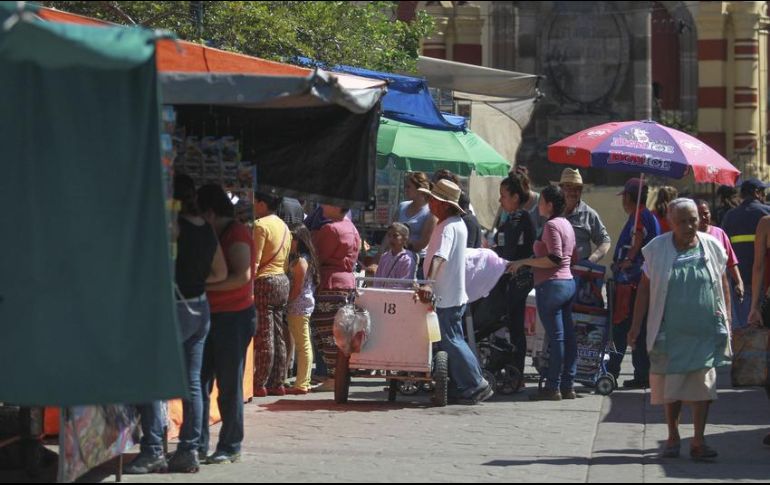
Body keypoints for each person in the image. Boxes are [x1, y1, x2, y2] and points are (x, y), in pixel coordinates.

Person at [127, 174, 227, 475]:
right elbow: (220, 272)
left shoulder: (173, 228)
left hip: (173, 309)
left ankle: (153, 450)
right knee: (193, 383)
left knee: (151, 378)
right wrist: (194, 282)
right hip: (200, 309)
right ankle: (188, 451)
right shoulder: (206, 230)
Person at [629, 198, 731, 461]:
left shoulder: (713, 246)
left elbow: (722, 283)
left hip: (703, 331)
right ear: (670, 222)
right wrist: (636, 325)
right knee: (669, 387)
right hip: (669, 332)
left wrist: (728, 320)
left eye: (693, 219)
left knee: (704, 386)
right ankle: (673, 436)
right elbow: (644, 289)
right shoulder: (656, 249)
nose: (689, 225)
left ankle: (698, 440)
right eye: (682, 221)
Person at [415, 179, 493, 405]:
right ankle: (467, 384)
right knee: (454, 339)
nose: (429, 203)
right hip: (452, 293)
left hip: (447, 295)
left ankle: (476, 383)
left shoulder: (448, 227)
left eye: (433, 199)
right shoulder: (455, 223)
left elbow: (441, 256)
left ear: (443, 204)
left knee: (451, 341)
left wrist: (428, 282)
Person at [196, 184, 257, 465]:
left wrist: (201, 284)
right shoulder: (213, 232)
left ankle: (230, 445)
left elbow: (242, 276)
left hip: (233, 316)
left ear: (209, 211)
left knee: (229, 384)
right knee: (201, 381)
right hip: (210, 314)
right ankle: (197, 443)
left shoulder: (236, 234)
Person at [508, 185, 577, 401]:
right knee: (567, 337)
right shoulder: (567, 224)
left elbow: (554, 258)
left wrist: (523, 262)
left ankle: (553, 386)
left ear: (549, 204)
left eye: (541, 201)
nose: (538, 205)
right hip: (567, 283)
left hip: (552, 286)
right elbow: (570, 256)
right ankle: (567, 385)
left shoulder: (552, 226)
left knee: (557, 339)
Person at [609, 178, 661, 389]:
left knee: (622, 327)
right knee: (637, 328)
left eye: (625, 197)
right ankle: (641, 373)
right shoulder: (649, 216)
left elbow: (638, 239)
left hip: (631, 282)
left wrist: (627, 261)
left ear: (630, 197)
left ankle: (612, 371)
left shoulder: (639, 216)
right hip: (640, 281)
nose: (623, 202)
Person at [310, 204, 361, 392]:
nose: (322, 206)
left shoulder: (330, 229)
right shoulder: (351, 227)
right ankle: (338, 374)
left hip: (330, 284)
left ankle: (334, 375)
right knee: (342, 332)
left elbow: (317, 255)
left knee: (327, 331)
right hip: (347, 284)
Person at [494, 173, 536, 380]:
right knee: (509, 324)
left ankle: (516, 371)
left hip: (518, 280)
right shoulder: (511, 218)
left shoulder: (521, 218)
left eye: (503, 196)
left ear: (515, 198)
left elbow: (510, 249)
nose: (500, 200)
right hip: (509, 278)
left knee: (516, 326)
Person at [252, 191, 292, 397]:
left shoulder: (261, 226)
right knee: (278, 334)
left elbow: (255, 261)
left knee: (264, 335)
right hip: (282, 281)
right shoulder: (284, 226)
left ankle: (260, 382)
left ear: (261, 204)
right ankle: (278, 382)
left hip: (265, 281)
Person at [721, 178, 770, 330]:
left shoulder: (730, 215)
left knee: (743, 325)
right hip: (763, 281)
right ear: (757, 193)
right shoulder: (766, 214)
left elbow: (723, 247)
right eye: (763, 193)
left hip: (739, 277)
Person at [285, 223, 320, 395]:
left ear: (298, 240)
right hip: (302, 304)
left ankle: (302, 382)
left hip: (299, 305)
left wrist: (287, 302)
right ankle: (302, 381)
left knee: (303, 344)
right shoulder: (304, 258)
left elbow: (297, 288)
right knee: (302, 343)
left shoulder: (301, 261)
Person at [747, 214, 770, 448]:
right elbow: (758, 266)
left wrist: (755, 306)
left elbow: (759, 266)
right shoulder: (765, 222)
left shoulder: (765, 223)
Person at [696, 199, 744, 305]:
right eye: (699, 215)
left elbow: (731, 261)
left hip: (720, 288)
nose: (703, 217)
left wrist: (739, 282)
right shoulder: (690, 237)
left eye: (706, 213)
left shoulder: (719, 233)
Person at [559, 168, 611, 264]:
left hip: (579, 273)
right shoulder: (552, 210)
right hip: (553, 270)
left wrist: (591, 261)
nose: (573, 192)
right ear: (561, 189)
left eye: (577, 188)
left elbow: (605, 241)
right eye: (568, 187)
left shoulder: (589, 214)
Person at [396, 172, 437, 278]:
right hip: (397, 258)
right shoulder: (402, 206)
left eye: (409, 186)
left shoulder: (430, 212)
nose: (406, 189)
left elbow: (422, 243)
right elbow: (389, 235)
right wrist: (378, 257)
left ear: (420, 189)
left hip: (418, 263)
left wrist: (398, 242)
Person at [374, 222, 417, 287]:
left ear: (405, 239)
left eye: (395, 236)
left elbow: (405, 283)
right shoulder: (384, 257)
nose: (391, 239)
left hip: (397, 295)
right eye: (389, 235)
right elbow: (377, 278)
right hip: (381, 294)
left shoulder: (407, 259)